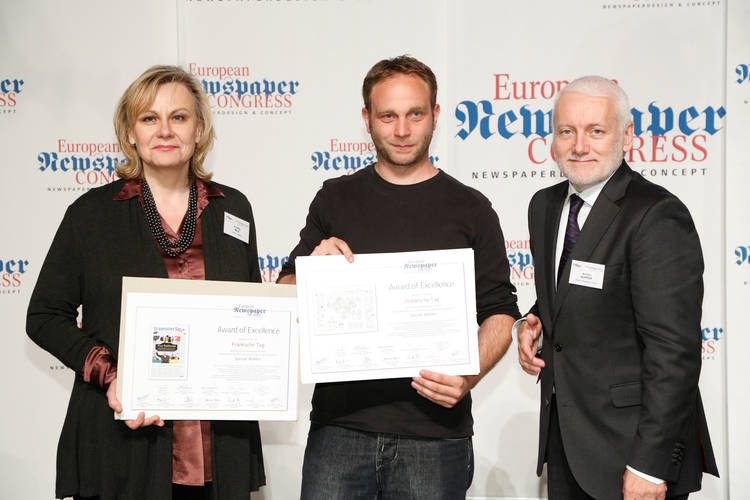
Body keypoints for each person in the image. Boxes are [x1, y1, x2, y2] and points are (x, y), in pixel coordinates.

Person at [277, 55, 520, 499]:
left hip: (436, 436)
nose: (402, 130)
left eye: (415, 114)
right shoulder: (335, 198)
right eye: (388, 116)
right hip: (340, 430)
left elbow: (501, 312)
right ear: (367, 119)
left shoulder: (472, 209)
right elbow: (285, 291)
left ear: (435, 115)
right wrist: (312, 268)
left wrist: (467, 378)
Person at [27, 65, 265, 500]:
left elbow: (250, 314)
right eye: (149, 118)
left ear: (199, 130)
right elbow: (44, 316)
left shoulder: (235, 209)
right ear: (130, 132)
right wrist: (112, 375)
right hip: (122, 443)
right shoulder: (91, 215)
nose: (165, 130)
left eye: (179, 117)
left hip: (219, 445)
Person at [515, 75, 719, 500]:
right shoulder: (544, 206)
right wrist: (532, 321)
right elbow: (573, 292)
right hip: (566, 446)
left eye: (596, 131)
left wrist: (650, 465)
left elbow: (674, 353)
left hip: (634, 455)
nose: (579, 146)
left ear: (626, 136)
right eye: (566, 131)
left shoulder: (656, 214)